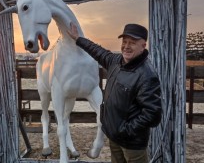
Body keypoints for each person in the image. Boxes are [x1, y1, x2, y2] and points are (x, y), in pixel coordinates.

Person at [67, 22, 162, 163]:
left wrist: (125, 130)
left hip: (132, 144)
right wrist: (78, 39)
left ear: (143, 46)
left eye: (133, 43)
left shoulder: (147, 75)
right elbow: (97, 51)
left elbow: (153, 114)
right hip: (114, 136)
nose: (126, 46)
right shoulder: (116, 61)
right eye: (124, 42)